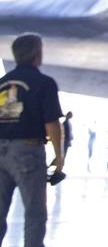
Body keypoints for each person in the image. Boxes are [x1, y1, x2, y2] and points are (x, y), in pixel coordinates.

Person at [0, 33, 64, 247]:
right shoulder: (44, 83)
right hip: (27, 151)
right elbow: (52, 123)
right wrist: (59, 157)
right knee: (35, 214)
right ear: (38, 54)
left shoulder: (2, 83)